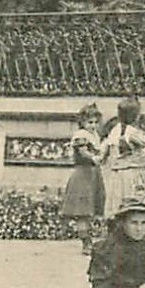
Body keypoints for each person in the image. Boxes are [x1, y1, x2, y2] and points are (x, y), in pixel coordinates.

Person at [60, 104, 107, 250]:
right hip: (83, 174)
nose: (92, 125)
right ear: (82, 122)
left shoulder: (95, 136)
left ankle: (90, 238)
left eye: (95, 122)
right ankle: (86, 242)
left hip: (94, 174)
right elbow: (83, 151)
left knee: (91, 209)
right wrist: (93, 158)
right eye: (89, 122)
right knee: (82, 211)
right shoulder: (81, 135)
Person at [101, 98, 145, 217]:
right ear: (136, 116)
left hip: (117, 176)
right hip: (133, 174)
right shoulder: (133, 133)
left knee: (118, 206)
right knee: (135, 204)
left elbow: (103, 155)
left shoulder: (114, 131)